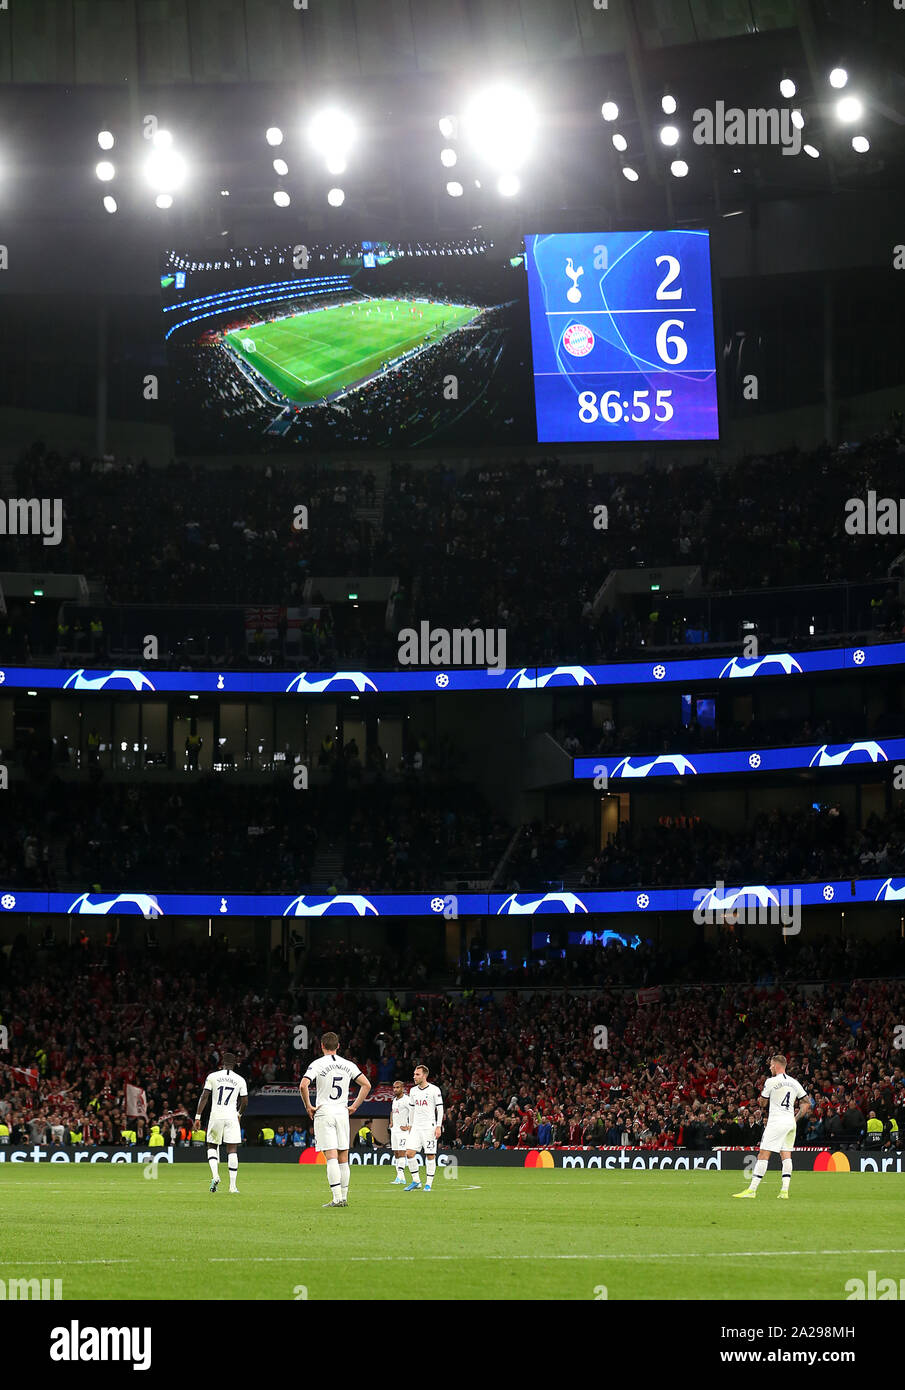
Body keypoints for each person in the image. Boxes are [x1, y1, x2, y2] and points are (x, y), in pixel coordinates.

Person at [300, 1031, 371, 1208]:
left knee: (331, 1157)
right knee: (343, 1157)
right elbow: (367, 1085)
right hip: (342, 1112)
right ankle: (344, 1197)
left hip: (325, 1112)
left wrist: (308, 1105)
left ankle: (337, 1198)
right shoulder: (349, 1064)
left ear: (322, 1046)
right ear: (338, 1046)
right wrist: (354, 1106)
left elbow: (303, 1085)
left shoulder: (317, 1063)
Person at [733, 1054, 810, 1200]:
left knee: (763, 1154)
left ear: (775, 1065)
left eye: (770, 1065)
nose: (769, 1067)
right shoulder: (794, 1082)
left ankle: (752, 1190)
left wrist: (762, 1098)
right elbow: (806, 1103)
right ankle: (784, 1191)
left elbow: (762, 1104)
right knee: (786, 1155)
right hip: (790, 1122)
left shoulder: (771, 1081)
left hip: (776, 1121)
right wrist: (795, 1118)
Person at [194, 1050, 248, 1196]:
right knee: (232, 1150)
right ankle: (232, 1186)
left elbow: (204, 1096)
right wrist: (239, 1114)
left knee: (212, 1146)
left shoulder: (212, 1076)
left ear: (222, 1063)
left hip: (216, 1115)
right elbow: (244, 1101)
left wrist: (198, 1117)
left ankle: (215, 1176)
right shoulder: (240, 1080)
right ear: (235, 1064)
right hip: (231, 1116)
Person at [404, 1063, 443, 1193]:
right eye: (414, 1074)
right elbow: (411, 1109)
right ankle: (416, 1181)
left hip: (429, 1127)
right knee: (409, 1153)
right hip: (416, 1127)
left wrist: (438, 1126)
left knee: (430, 1154)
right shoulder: (413, 1091)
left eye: (417, 1074)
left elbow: (440, 1109)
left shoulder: (434, 1089)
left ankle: (428, 1183)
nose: (414, 1076)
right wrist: (410, 1124)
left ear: (424, 1075)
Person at [389, 1078, 412, 1186]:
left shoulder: (407, 1100)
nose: (395, 1089)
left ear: (402, 1088)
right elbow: (392, 1112)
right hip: (395, 1130)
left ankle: (401, 1177)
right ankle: (399, 1177)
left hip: (403, 1131)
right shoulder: (394, 1100)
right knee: (396, 1153)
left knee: (402, 1152)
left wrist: (408, 1126)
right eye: (394, 1087)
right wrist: (391, 1121)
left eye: (397, 1087)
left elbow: (413, 1112)